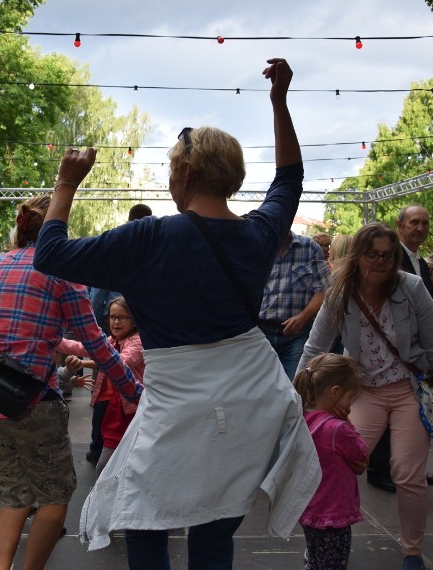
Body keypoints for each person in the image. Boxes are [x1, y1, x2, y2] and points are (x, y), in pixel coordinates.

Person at [35, 58, 321, 569]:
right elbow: (290, 179)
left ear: (185, 173)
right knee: (215, 531)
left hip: (179, 404)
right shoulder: (260, 235)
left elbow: (50, 254)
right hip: (253, 398)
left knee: (146, 517)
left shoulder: (150, 237)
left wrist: (66, 184)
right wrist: (280, 103)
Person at [0, 195, 142, 570]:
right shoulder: (61, 273)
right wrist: (135, 392)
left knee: (14, 498)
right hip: (31, 403)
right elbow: (97, 344)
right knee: (55, 496)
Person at [297, 222, 433, 570]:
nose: (380, 262)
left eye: (388, 255)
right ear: (358, 255)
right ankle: (321, 542)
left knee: (408, 473)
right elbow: (314, 347)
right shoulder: (340, 291)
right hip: (362, 393)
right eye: (372, 255)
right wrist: (297, 400)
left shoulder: (411, 287)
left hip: (409, 390)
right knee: (335, 463)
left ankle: (412, 551)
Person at [367, 203, 433, 494]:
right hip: (386, 360)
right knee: (385, 420)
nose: (420, 228)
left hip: (414, 356)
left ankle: (407, 466)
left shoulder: (419, 261)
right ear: (400, 227)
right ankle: (381, 469)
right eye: (414, 222)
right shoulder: (394, 261)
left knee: (411, 419)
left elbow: (426, 306)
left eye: (424, 222)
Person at [293, 354, 367, 570]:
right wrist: (347, 420)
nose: (350, 405)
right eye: (350, 398)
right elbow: (361, 457)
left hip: (310, 510)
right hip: (334, 515)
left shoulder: (302, 420)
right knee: (332, 564)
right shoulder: (337, 429)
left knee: (315, 561)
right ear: (335, 392)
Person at [58, 296, 145, 474]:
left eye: (122, 317)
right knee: (101, 440)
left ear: (134, 320)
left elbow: (119, 362)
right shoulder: (112, 341)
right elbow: (81, 347)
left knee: (118, 453)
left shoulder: (137, 341)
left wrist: (85, 363)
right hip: (107, 402)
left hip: (128, 407)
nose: (116, 322)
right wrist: (54, 341)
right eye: (112, 317)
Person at [258, 229, 330, 379]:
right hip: (263, 332)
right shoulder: (260, 247)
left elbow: (323, 290)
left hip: (298, 334)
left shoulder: (309, 248)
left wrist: (304, 317)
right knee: (262, 385)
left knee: (295, 385)